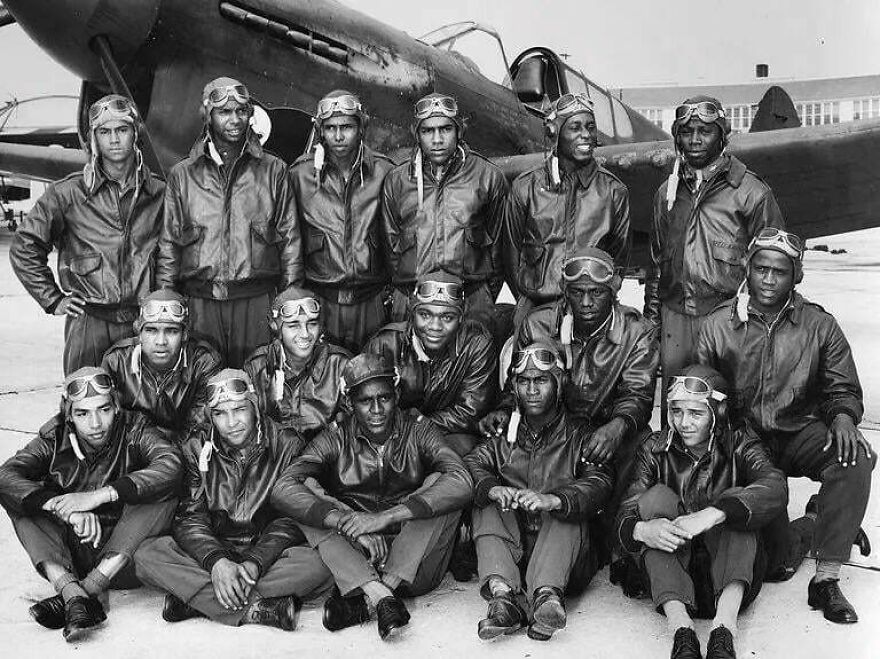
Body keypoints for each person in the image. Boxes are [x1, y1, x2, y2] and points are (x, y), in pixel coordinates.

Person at [696, 228, 874, 624]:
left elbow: (841, 386)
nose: (769, 279)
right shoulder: (717, 325)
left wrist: (844, 415)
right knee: (776, 563)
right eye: (761, 268)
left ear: (796, 275)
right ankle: (817, 520)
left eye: (780, 271)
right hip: (747, 442)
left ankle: (826, 578)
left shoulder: (819, 325)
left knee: (856, 457)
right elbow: (702, 389)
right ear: (747, 267)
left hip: (799, 431)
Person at [480, 249, 657, 580]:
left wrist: (617, 427)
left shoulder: (638, 331)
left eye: (597, 292)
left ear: (615, 288)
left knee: (642, 445)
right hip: (556, 428)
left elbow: (639, 393)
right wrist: (505, 410)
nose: (587, 301)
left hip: (608, 426)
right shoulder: (538, 322)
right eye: (577, 292)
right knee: (499, 444)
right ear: (564, 288)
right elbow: (520, 380)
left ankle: (621, 544)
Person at [271, 353, 473, 640]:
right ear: (350, 404)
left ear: (397, 394)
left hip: (415, 567)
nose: (377, 409)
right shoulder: (335, 437)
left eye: (385, 398)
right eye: (365, 401)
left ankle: (376, 594)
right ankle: (382, 599)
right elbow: (283, 487)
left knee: (443, 487)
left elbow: (463, 481)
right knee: (305, 496)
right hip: (359, 557)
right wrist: (346, 522)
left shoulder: (418, 428)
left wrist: (385, 517)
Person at [134, 369, 332, 630]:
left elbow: (290, 518)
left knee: (321, 562)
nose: (231, 422)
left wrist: (254, 563)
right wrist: (216, 561)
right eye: (220, 413)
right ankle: (256, 609)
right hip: (215, 549)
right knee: (147, 555)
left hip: (268, 553)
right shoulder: (195, 446)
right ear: (210, 415)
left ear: (255, 406)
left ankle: (197, 601)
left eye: (239, 410)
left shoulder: (287, 443)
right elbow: (191, 517)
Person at [616, 365, 787, 659]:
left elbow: (775, 485)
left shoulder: (740, 442)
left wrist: (714, 513)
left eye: (696, 413)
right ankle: (682, 632)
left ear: (717, 414)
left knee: (735, 501)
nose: (684, 423)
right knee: (654, 503)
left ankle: (724, 631)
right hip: (675, 573)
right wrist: (641, 530)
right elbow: (626, 509)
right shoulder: (653, 449)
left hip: (730, 572)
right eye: (677, 411)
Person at [0, 367, 182, 642]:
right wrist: (64, 509)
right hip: (74, 551)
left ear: (117, 406)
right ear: (68, 415)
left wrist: (99, 496)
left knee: (164, 491)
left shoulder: (137, 428)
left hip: (123, 557)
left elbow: (171, 464)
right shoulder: (54, 435)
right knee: (21, 500)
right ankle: (72, 589)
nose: (95, 423)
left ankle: (79, 593)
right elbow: (6, 476)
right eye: (83, 413)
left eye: (104, 410)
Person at [643, 96, 784, 409]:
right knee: (678, 411)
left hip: (730, 322)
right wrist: (652, 327)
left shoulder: (751, 193)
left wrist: (764, 329)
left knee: (728, 412)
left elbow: (776, 267)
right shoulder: (665, 195)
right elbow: (655, 266)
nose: (694, 139)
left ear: (722, 135)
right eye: (686, 131)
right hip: (674, 319)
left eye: (705, 131)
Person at [466, 342, 613, 642]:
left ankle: (547, 599)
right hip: (516, 554)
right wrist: (493, 489)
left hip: (566, 560)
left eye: (541, 380)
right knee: (485, 501)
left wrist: (554, 498)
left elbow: (600, 481)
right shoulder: (505, 433)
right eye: (524, 381)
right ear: (515, 387)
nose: (532, 389)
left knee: (567, 507)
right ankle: (503, 598)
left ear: (558, 384)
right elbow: (472, 463)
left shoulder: (580, 433)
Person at [10, 95, 165, 375]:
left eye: (122, 130)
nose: (114, 139)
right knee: (85, 402)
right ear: (94, 139)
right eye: (104, 132)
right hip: (89, 323)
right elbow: (24, 246)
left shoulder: (159, 194)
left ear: (135, 134)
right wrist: (53, 299)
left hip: (143, 322)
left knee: (145, 411)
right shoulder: (68, 194)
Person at [156, 77, 303, 367]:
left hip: (257, 303)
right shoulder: (183, 175)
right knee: (204, 388)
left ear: (250, 115)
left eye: (241, 111)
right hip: (200, 304)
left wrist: (290, 302)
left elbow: (290, 241)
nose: (234, 119)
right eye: (224, 112)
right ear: (208, 116)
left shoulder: (273, 170)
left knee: (257, 385)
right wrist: (165, 304)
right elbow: (169, 246)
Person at [380, 93, 508, 334]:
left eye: (445, 129)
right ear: (416, 133)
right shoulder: (396, 181)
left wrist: (480, 297)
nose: (437, 139)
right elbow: (390, 250)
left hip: (470, 301)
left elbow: (499, 251)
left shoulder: (488, 177)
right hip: (411, 300)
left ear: (459, 131)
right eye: (428, 131)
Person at [504, 93, 630, 323]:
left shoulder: (614, 191)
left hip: (591, 312)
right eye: (575, 127)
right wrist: (529, 299)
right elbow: (510, 257)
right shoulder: (525, 187)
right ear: (555, 133)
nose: (586, 135)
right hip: (536, 308)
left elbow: (619, 259)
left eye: (590, 127)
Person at [289, 90, 395, 353]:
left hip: (371, 303)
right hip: (322, 302)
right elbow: (290, 243)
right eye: (330, 128)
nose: (338, 136)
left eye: (346, 127)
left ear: (361, 128)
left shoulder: (385, 173)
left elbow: (397, 240)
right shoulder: (299, 176)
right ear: (320, 130)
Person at [364, 271, 497, 457]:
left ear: (461, 318)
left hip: (447, 435)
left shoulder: (477, 344)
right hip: (393, 437)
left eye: (447, 317)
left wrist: (415, 426)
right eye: (425, 315)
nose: (435, 326)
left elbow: (469, 411)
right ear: (412, 312)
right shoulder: (384, 344)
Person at [101, 290, 222, 434]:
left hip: (184, 450)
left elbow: (201, 429)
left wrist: (168, 454)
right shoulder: (117, 362)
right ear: (139, 334)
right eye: (151, 330)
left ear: (184, 334)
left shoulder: (203, 362)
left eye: (171, 331)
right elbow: (107, 424)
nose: (161, 341)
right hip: (133, 447)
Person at [244, 287, 350, 441]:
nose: (305, 334)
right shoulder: (257, 366)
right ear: (276, 328)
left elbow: (352, 429)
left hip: (325, 457)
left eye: (312, 324)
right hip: (275, 458)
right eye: (293, 325)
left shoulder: (340, 365)